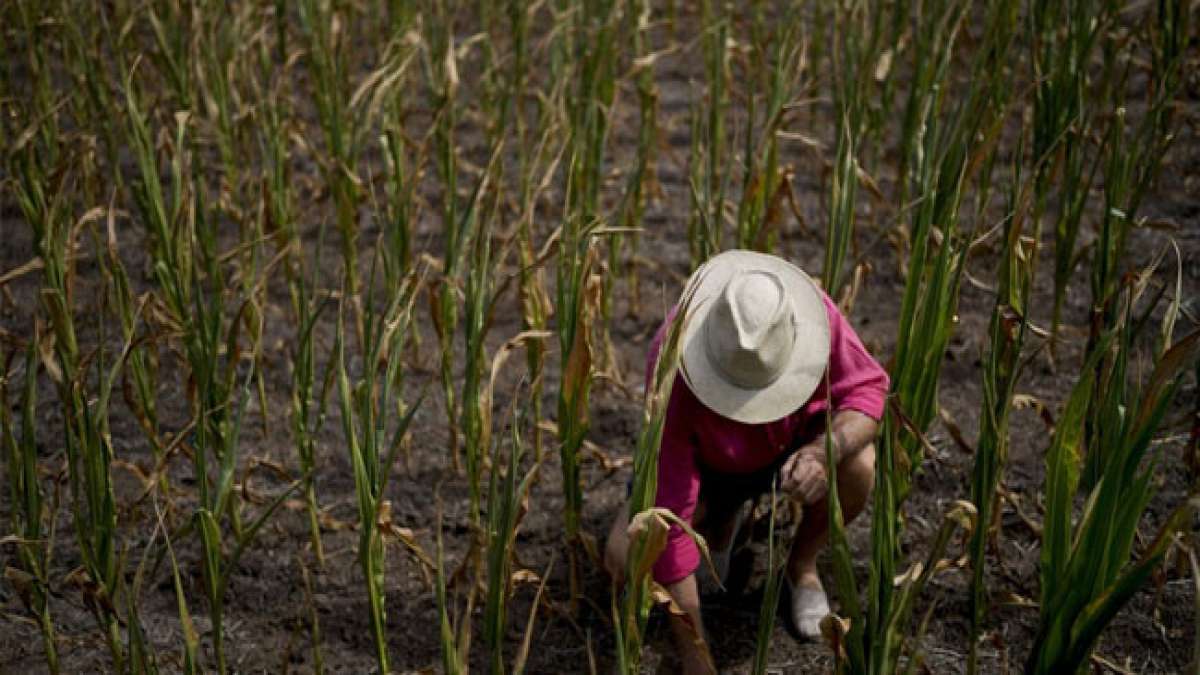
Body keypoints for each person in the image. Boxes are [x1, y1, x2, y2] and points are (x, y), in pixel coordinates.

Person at [603, 250, 888, 674]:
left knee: (860, 464)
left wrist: (821, 452)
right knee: (623, 558)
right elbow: (667, 515)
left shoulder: (812, 314)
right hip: (710, 469)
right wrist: (697, 658)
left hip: (792, 449)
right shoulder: (672, 365)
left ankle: (801, 567)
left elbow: (868, 390)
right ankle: (722, 521)